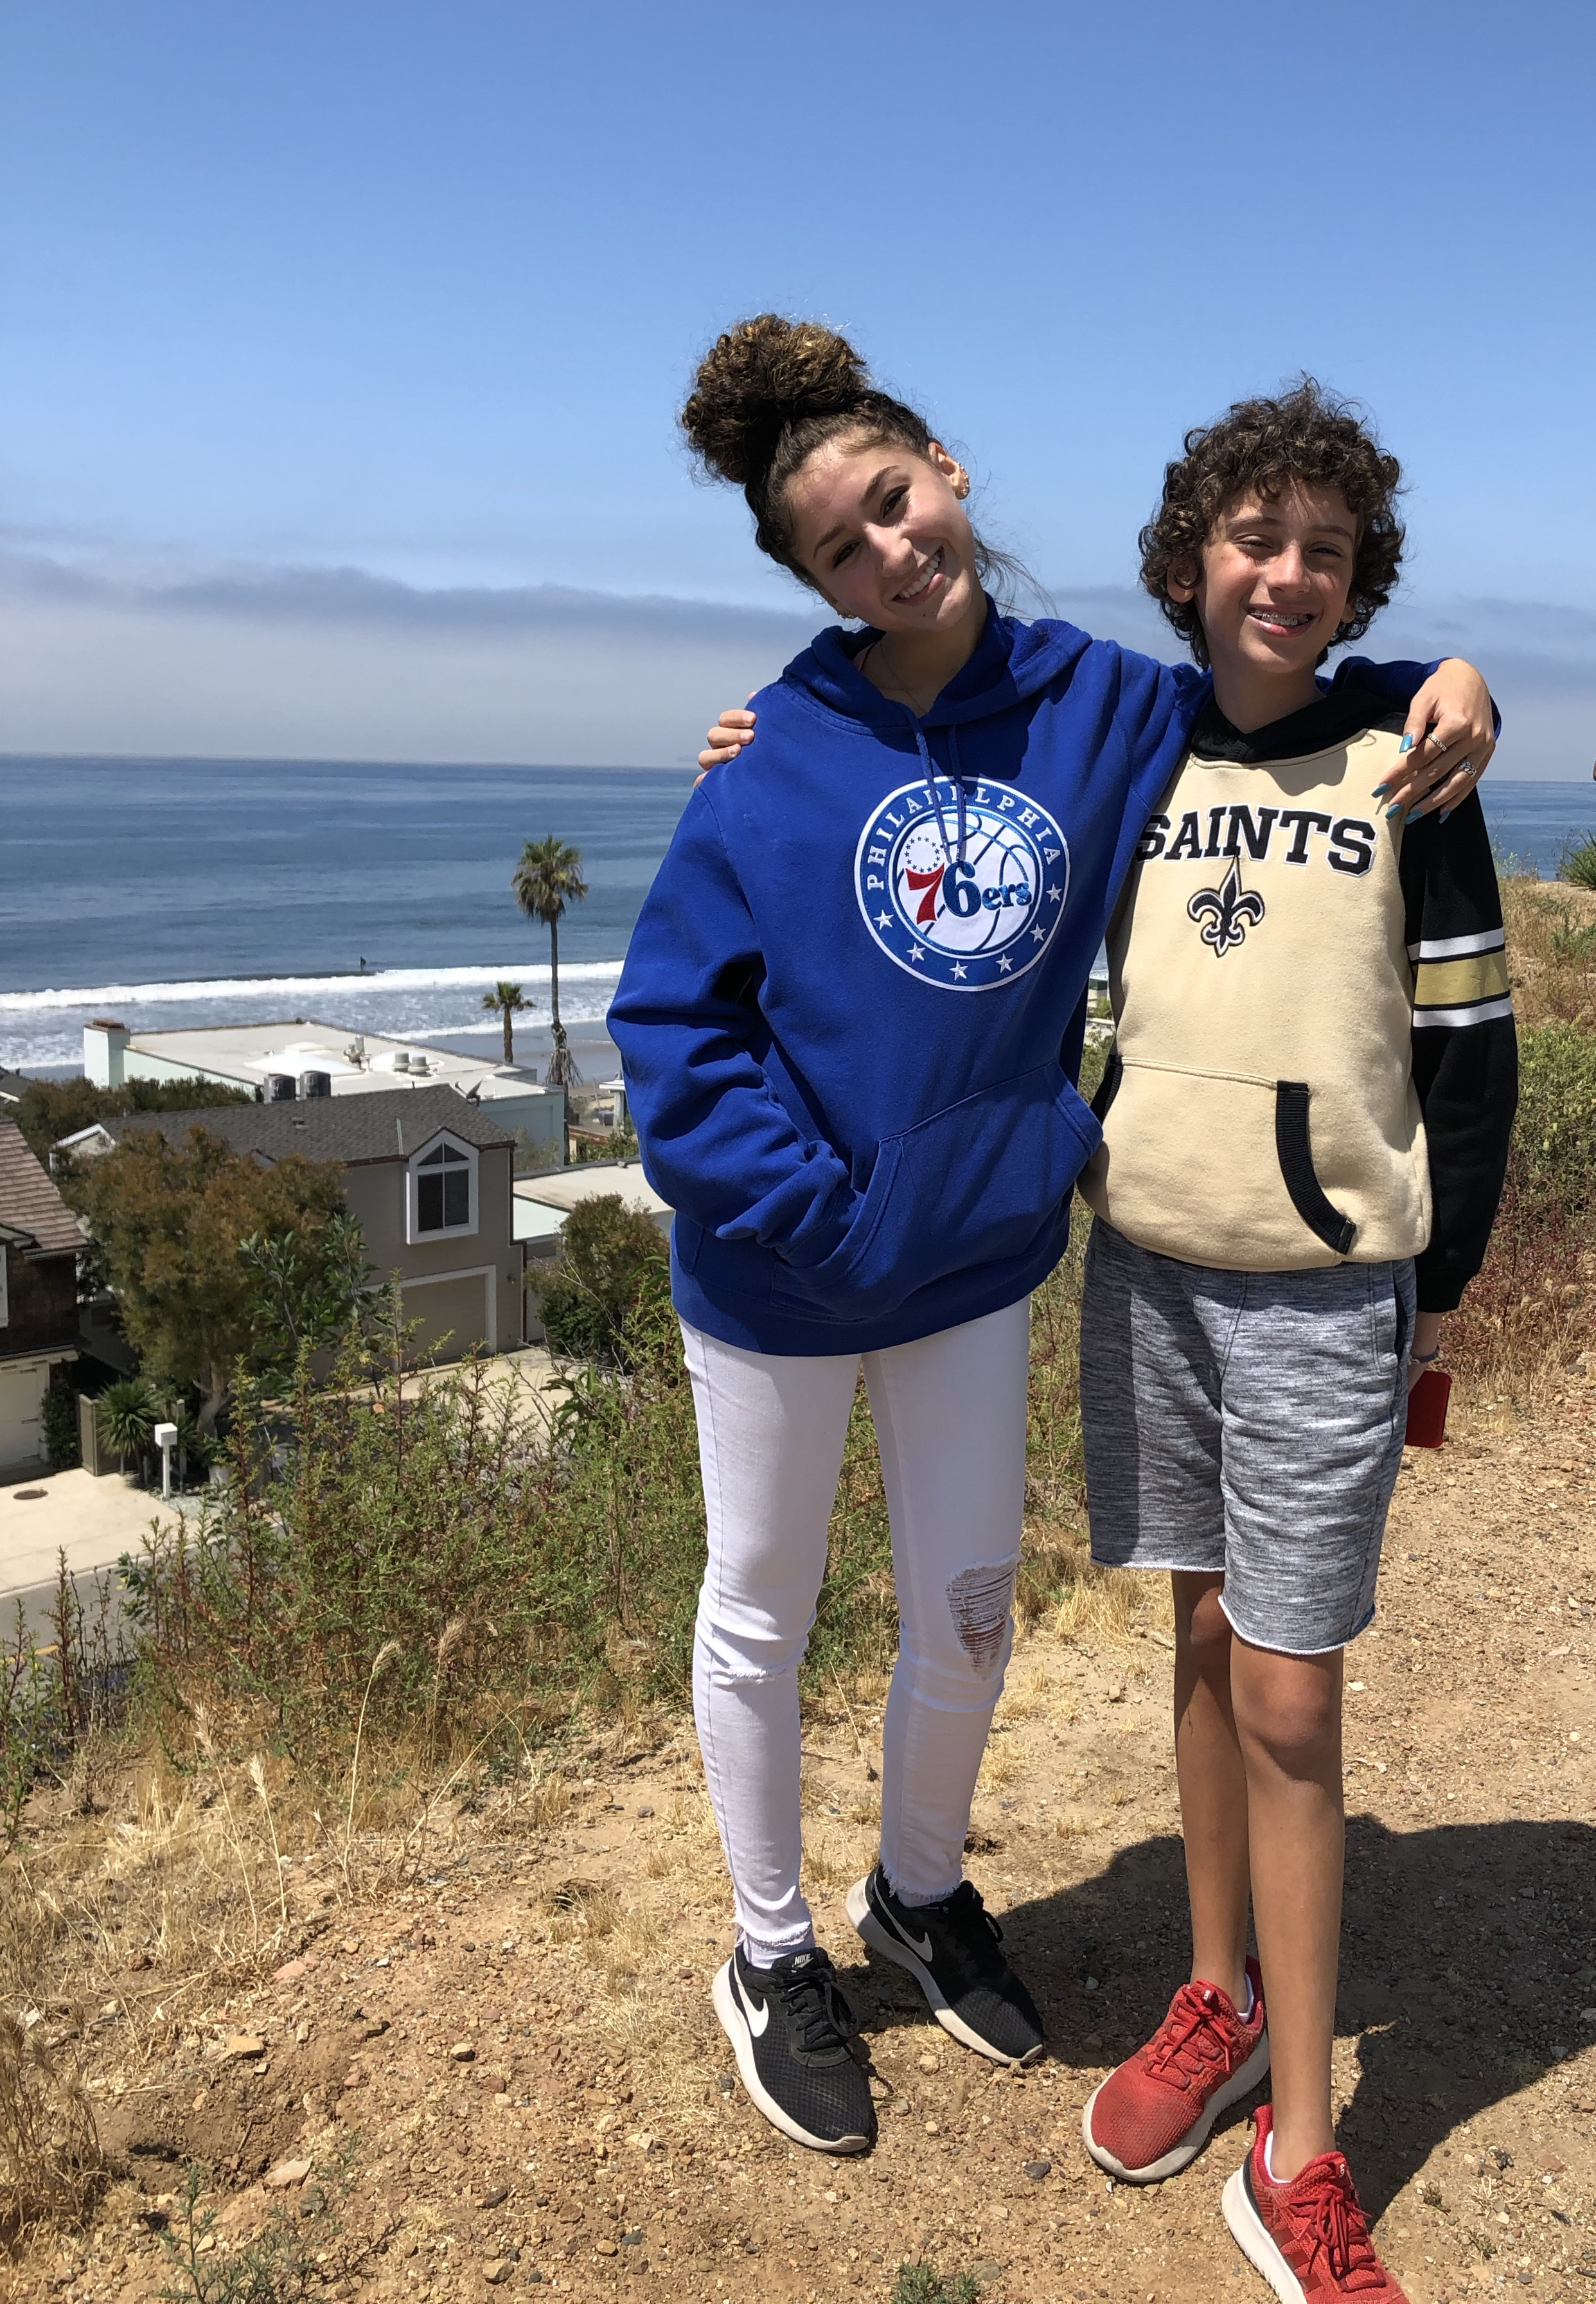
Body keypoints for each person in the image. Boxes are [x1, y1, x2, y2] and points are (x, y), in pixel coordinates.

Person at [614, 316, 1491, 2161]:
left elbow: (1282, 686)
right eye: (841, 547)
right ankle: (771, 1950)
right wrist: (818, 1211)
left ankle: (915, 1893)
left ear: (948, 473)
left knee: (965, 1614)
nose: (890, 549)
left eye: (898, 501)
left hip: (971, 1265)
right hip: (782, 1276)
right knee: (761, 1611)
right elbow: (672, 1033)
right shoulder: (772, 750)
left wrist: (1449, 678)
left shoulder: (1096, 700)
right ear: (812, 580)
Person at [1067, 383, 1516, 2303]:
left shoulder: (1413, 761)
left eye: (1323, 550)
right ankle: (1212, 1989)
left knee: (1289, 1690)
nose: (1285, 571)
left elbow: (1470, 1043)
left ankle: (1301, 2143)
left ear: (1358, 587)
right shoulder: (1119, 746)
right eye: (1253, 537)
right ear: (1188, 560)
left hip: (1327, 1288)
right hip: (1144, 1265)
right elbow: (925, 733)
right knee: (1189, 1628)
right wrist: (765, 741)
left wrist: (1428, 1279)